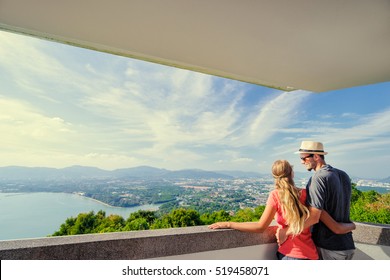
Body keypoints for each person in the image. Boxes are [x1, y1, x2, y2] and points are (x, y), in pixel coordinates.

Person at [209, 159, 354, 260]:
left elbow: (260, 226)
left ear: (274, 177)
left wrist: (229, 224)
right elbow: (320, 217)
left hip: (289, 255)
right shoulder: (305, 193)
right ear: (292, 174)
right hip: (311, 255)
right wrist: (350, 225)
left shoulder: (275, 195)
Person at [279, 141, 356, 260]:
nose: (301, 162)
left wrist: (286, 232)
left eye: (304, 158)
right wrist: (351, 226)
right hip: (347, 245)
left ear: (316, 156)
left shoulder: (318, 178)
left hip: (329, 247)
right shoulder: (343, 175)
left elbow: (314, 217)